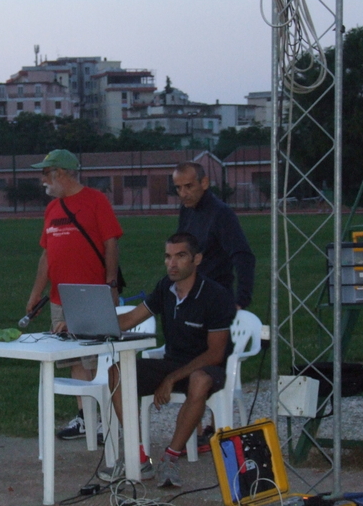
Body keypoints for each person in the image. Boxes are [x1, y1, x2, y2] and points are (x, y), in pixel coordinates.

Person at [102, 232, 236, 487]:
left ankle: (170, 458)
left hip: (207, 368)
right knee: (117, 372)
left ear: (197, 259)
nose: (171, 263)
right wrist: (83, 324)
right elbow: (130, 319)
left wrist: (172, 378)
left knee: (198, 380)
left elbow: (215, 353)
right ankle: (138, 456)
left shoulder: (216, 295)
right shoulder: (166, 287)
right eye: (167, 256)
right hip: (173, 363)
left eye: (180, 256)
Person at [26, 149, 123, 442]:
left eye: (46, 173)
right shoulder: (52, 208)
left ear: (62, 173)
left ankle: (110, 419)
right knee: (76, 361)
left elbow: (111, 244)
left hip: (92, 295)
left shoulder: (96, 201)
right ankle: (85, 419)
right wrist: (35, 293)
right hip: (60, 298)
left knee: (99, 360)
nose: (43, 179)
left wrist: (110, 284)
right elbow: (47, 254)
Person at [172, 161, 255, 450]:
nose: (184, 193)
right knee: (181, 358)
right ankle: (195, 432)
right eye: (179, 188)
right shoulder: (186, 211)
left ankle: (218, 427)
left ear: (204, 183)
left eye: (189, 186)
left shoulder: (221, 214)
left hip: (216, 301)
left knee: (207, 365)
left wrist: (241, 300)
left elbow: (243, 255)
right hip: (191, 301)